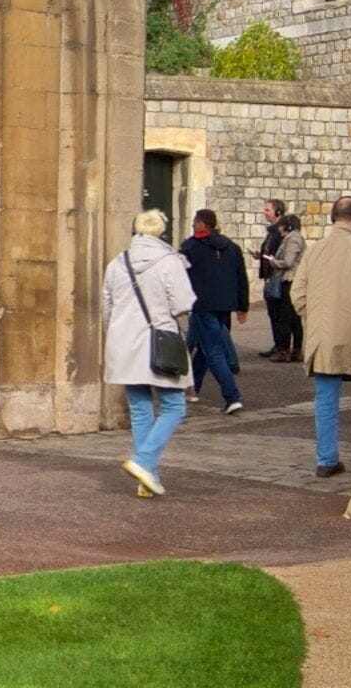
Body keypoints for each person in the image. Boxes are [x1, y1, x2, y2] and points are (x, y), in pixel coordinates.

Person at [289, 193, 351, 477]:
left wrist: (315, 314)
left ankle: (327, 459)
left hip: (322, 332)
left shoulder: (315, 249)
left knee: (325, 398)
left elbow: (297, 292)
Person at [101, 207, 198, 496]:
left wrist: (118, 332)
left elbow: (107, 306)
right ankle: (144, 461)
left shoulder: (118, 262)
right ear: (161, 233)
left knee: (141, 408)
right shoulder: (170, 262)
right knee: (174, 405)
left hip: (125, 343)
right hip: (159, 340)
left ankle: (148, 476)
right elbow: (183, 303)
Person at [178, 208, 252, 413]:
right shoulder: (232, 247)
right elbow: (241, 278)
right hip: (224, 306)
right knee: (203, 349)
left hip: (202, 305)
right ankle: (192, 387)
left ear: (201, 224)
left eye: (195, 222)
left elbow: (178, 276)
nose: (193, 226)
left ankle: (232, 397)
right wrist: (242, 306)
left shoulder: (190, 247)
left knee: (214, 352)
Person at [255, 199, 303, 361]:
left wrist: (273, 261)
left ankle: (286, 349)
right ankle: (288, 348)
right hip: (283, 278)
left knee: (285, 316)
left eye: (268, 209)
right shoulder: (284, 237)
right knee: (285, 316)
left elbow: (288, 261)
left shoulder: (292, 239)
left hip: (288, 280)